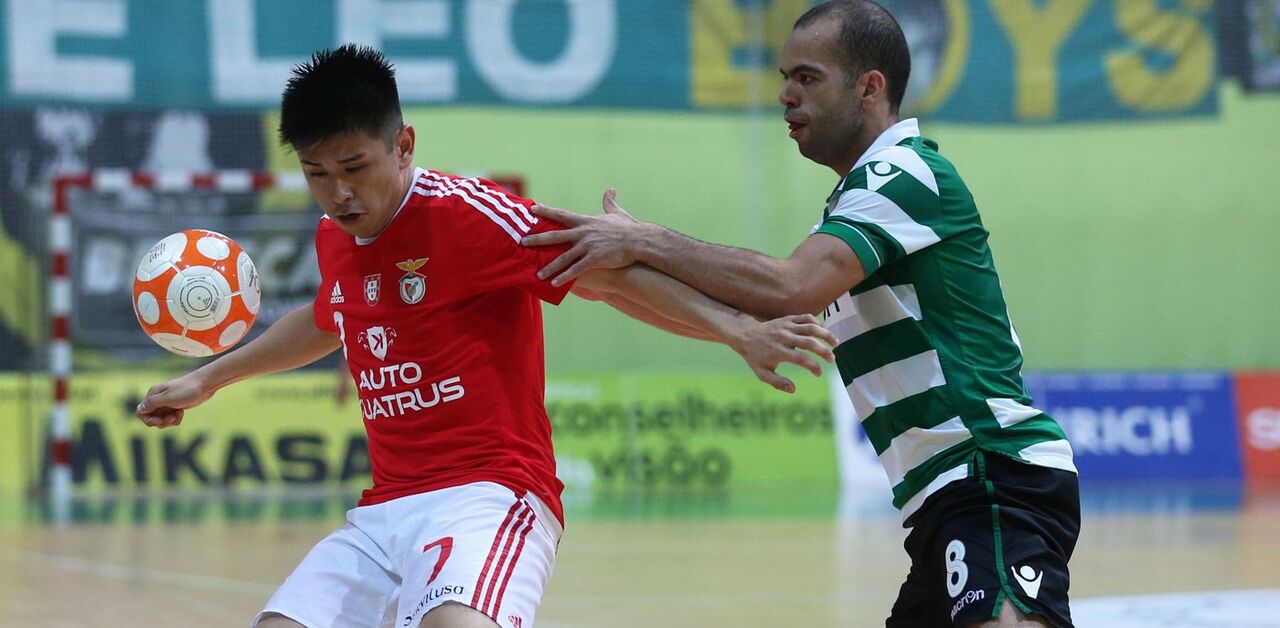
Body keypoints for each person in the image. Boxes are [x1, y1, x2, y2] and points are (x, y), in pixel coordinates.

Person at [134, 44, 837, 628]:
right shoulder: (334, 236)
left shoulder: (471, 215)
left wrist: (737, 330)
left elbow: (612, 278)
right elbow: (329, 318)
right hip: (384, 513)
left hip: (490, 495)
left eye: (354, 169)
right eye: (317, 174)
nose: (338, 193)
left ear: (403, 146)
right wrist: (208, 377)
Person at [520, 2, 1080, 626]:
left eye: (808, 78)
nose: (786, 95)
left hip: (991, 475)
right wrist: (617, 282)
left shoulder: (904, 174)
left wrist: (644, 241)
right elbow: (746, 304)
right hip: (941, 500)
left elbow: (787, 287)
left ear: (869, 88)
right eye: (785, 77)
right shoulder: (853, 206)